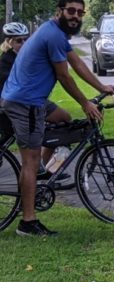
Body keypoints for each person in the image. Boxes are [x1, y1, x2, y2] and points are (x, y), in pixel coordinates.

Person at [0, 0, 114, 237]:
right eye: (71, 11)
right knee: (29, 162)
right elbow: (64, 75)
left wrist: (101, 86)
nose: (76, 16)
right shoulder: (52, 35)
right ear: (59, 11)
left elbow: (77, 63)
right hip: (26, 102)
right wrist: (85, 103)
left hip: (33, 99)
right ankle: (28, 222)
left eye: (80, 13)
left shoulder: (56, 34)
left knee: (63, 120)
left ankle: (40, 174)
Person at [0, 22, 74, 177]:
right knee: (33, 140)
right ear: (9, 42)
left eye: (26, 39)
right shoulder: (6, 62)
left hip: (36, 100)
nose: (24, 43)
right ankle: (37, 169)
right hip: (20, 104)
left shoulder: (28, 56)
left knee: (64, 119)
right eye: (19, 40)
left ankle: (46, 167)